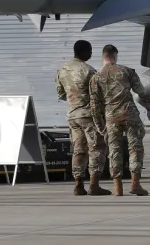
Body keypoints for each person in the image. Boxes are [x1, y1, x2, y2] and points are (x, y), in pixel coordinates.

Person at [89, 44, 150, 196]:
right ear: (115, 55)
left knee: (114, 150)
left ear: (103, 56)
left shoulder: (96, 77)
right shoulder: (127, 71)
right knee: (135, 148)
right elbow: (141, 92)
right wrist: (149, 109)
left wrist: (99, 125)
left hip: (111, 118)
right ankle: (135, 184)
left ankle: (117, 187)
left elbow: (94, 105)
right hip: (130, 115)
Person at [55, 39, 109, 196]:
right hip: (89, 116)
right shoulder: (89, 71)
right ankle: (94, 184)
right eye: (89, 51)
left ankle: (78, 184)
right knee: (96, 148)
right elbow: (99, 95)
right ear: (83, 51)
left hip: (73, 115)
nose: (91, 54)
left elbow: (61, 93)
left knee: (78, 149)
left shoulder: (62, 70)